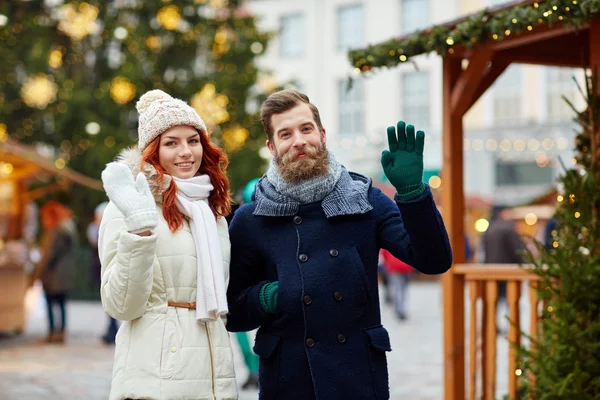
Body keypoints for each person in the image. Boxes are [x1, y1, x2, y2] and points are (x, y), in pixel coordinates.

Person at [226, 89, 453, 399]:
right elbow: (233, 312)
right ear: (272, 147)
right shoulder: (252, 218)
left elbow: (434, 261)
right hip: (288, 380)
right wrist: (270, 297)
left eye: (306, 129)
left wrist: (413, 194)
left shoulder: (365, 200)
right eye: (286, 134)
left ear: (321, 133)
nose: (299, 141)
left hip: (357, 377)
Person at [98, 90, 238, 400]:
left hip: (213, 377)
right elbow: (121, 305)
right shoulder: (129, 207)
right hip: (157, 379)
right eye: (171, 143)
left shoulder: (211, 212)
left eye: (193, 140)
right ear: (153, 151)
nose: (185, 152)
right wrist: (139, 233)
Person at [35, 201, 78, 344]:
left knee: (51, 304)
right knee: (61, 304)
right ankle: (60, 333)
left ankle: (53, 333)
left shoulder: (56, 231)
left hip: (53, 274)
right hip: (63, 274)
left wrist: (38, 272)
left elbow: (49, 254)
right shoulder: (67, 230)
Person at [87, 201, 119, 345]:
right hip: (102, 267)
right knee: (107, 299)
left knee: (110, 298)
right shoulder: (97, 229)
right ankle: (111, 329)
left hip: (109, 268)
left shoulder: (108, 230)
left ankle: (112, 330)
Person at [381, 249, 414, 321]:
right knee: (402, 289)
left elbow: (384, 254)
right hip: (405, 267)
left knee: (397, 289)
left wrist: (387, 264)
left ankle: (399, 309)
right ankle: (400, 309)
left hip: (394, 267)